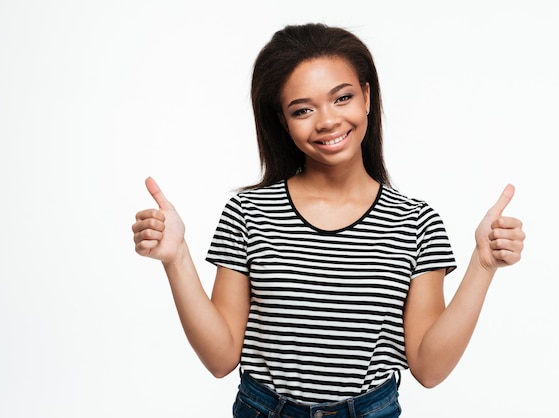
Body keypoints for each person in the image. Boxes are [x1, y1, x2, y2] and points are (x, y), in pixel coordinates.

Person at [132, 23, 525, 418]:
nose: (326, 121)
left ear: (367, 96)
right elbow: (220, 359)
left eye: (342, 98)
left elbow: (429, 367)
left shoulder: (415, 221)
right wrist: (176, 257)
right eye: (302, 109)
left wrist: (483, 265)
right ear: (283, 121)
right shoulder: (249, 212)